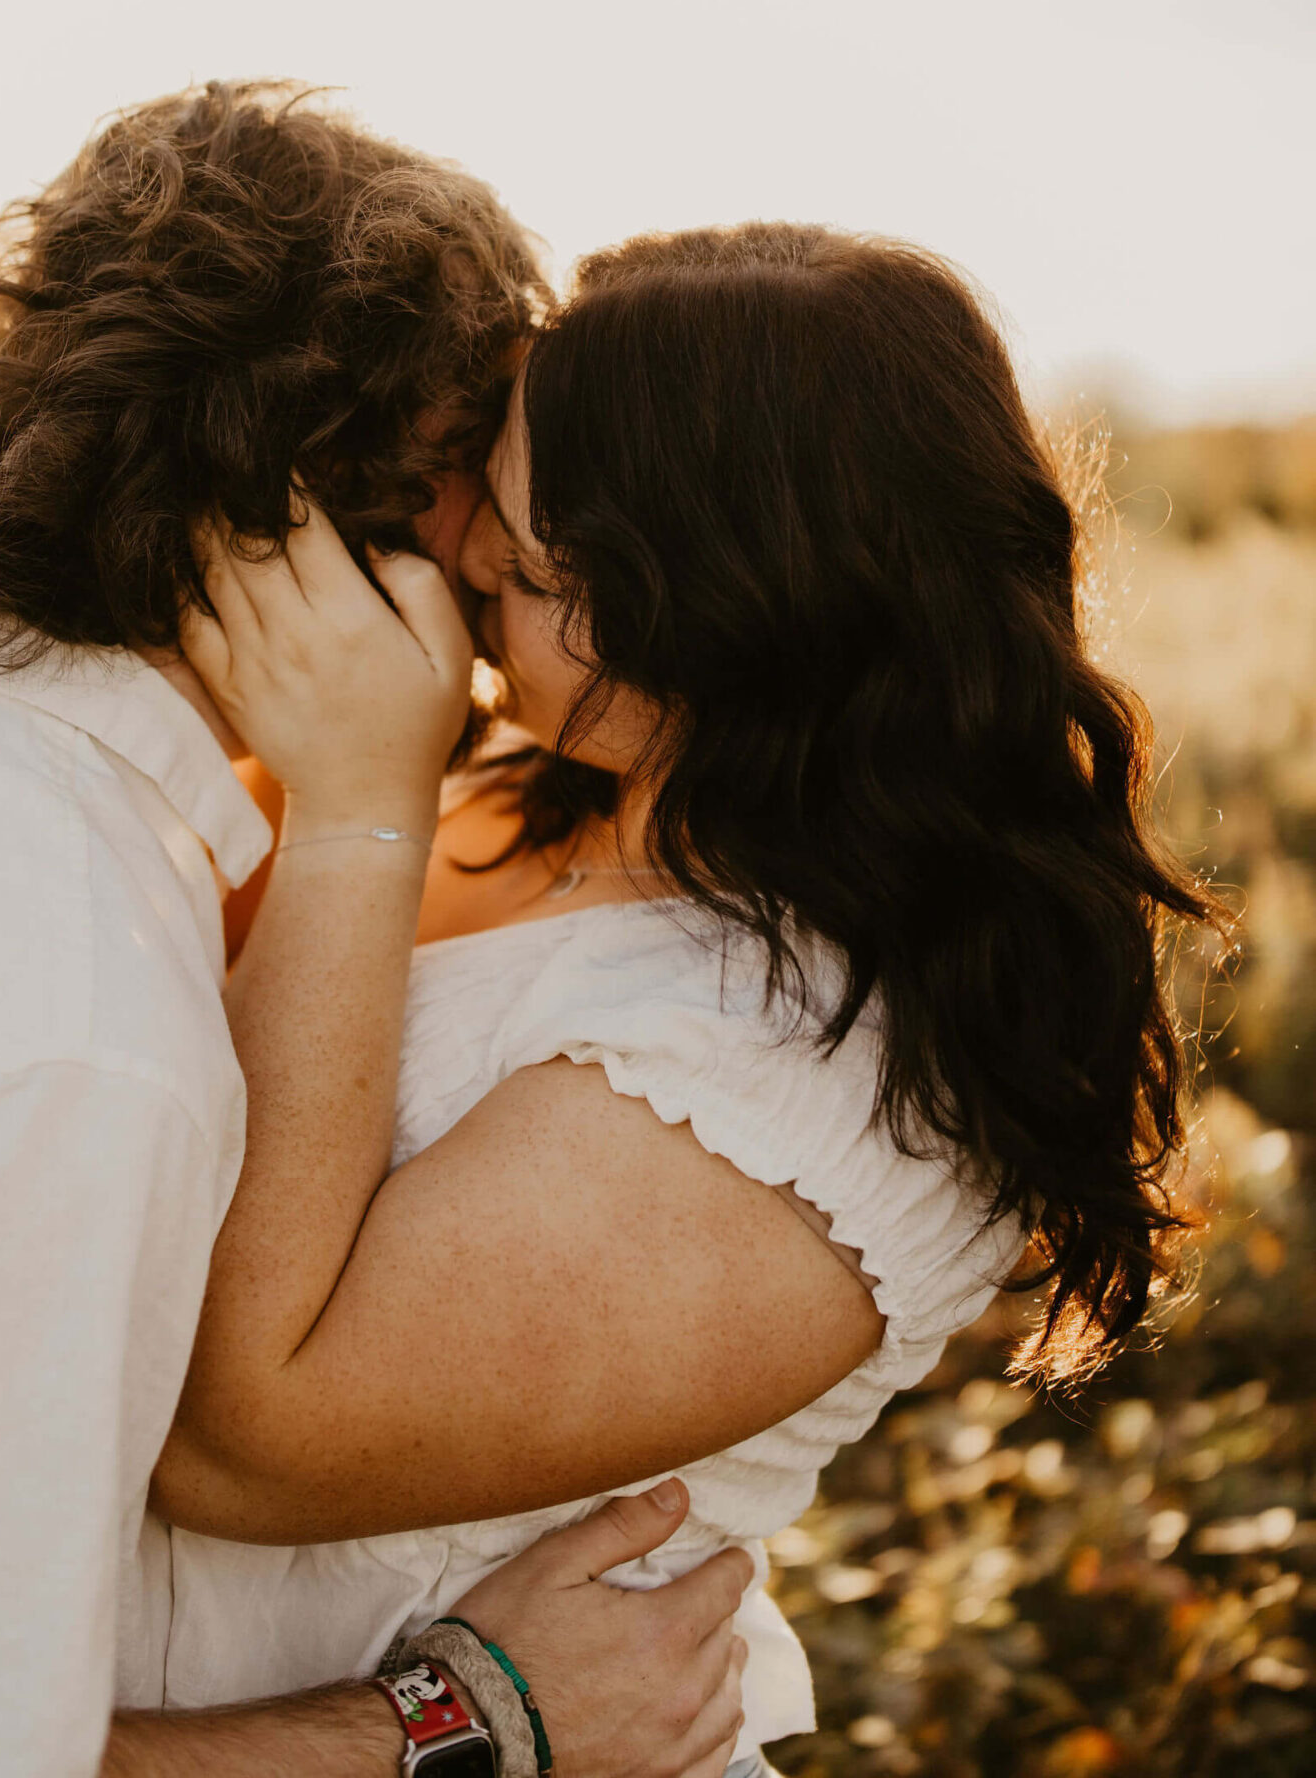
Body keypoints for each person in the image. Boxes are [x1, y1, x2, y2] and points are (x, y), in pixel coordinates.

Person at [0, 85, 751, 1778]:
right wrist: (465, 1721)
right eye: (474, 501)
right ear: (307, 529)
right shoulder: (43, 1032)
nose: (514, 585)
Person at [147, 222, 1225, 1772]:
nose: (455, 557)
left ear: (727, 607)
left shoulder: (817, 1086)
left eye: (523, 555)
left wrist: (355, 811)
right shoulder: (542, 782)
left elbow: (237, 1436)